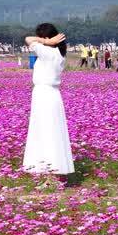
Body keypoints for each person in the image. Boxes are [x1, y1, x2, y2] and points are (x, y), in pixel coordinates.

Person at [22, 24, 73, 176]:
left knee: (44, 132)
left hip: (44, 94)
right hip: (52, 94)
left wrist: (45, 42)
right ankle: (54, 171)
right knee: (53, 132)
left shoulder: (47, 51)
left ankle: (48, 172)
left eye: (41, 36)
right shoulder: (59, 53)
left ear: (46, 38)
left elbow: (28, 39)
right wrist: (48, 42)